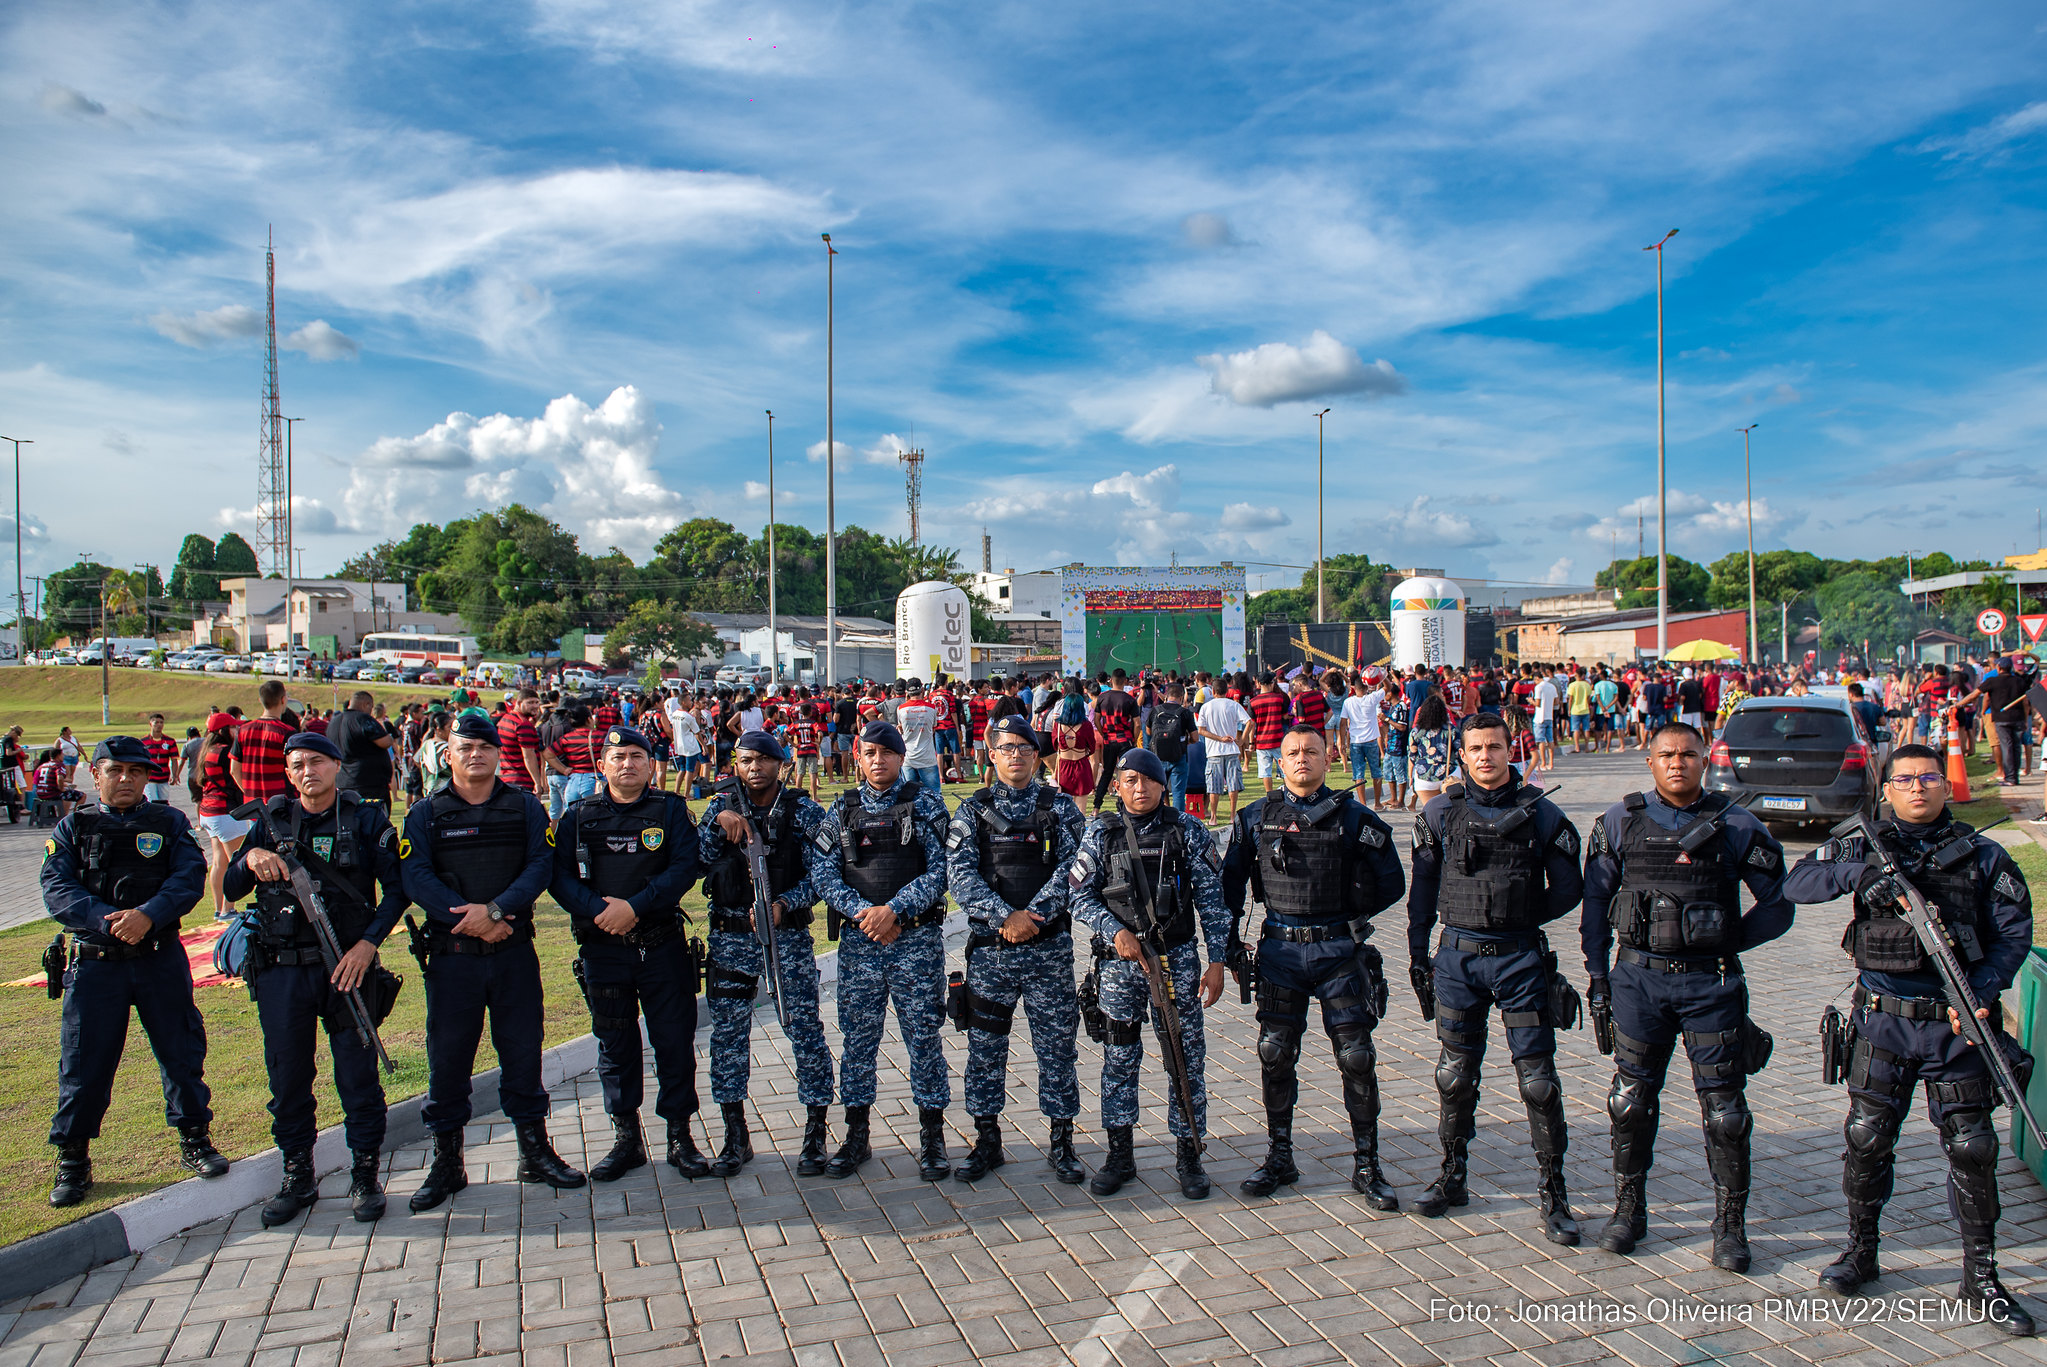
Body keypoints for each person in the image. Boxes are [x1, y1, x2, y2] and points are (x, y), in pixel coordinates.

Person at [1782, 745, 2035, 1332]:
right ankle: (1860, 1252)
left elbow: (2013, 934)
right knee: (1867, 1138)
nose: (1917, 788)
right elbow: (1799, 882)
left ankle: (1982, 1276)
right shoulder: (1866, 843)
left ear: (1946, 787)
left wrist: (1984, 990)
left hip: (1956, 1025)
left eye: (1928, 778)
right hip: (1883, 1022)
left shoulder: (1985, 856)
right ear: (1887, 788)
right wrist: (1860, 874)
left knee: (1973, 1149)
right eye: (1904, 779)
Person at [1579, 722, 1793, 1270]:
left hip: (1710, 985)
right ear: (1650, 762)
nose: (1678, 763)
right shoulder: (1618, 821)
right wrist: (1598, 977)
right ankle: (1629, 1210)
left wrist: (1727, 940)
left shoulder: (1739, 825)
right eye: (1667, 755)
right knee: (1629, 1102)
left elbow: (1778, 904)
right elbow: (1596, 906)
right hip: (1638, 981)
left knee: (1725, 1111)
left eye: (1689, 755)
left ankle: (1730, 1225)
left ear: (1706, 760)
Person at [1407, 713, 1586, 1243]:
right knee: (1454, 1075)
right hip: (1457, 959)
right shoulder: (1438, 813)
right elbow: (1421, 895)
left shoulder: (1543, 813)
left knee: (1537, 1082)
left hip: (1520, 959)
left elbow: (1571, 887)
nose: (1485, 756)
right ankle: (1452, 1176)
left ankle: (1554, 1194)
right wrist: (1419, 956)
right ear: (1460, 755)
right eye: (1475, 748)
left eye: (1495, 746)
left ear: (1512, 750)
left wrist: (1520, 914)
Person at [224, 732, 409, 1225]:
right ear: (288, 773)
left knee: (358, 1076)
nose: (308, 772)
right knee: (288, 1079)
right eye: (298, 764)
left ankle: (365, 1173)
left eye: (318, 762)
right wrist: (249, 858)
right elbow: (230, 886)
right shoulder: (271, 820)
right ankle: (297, 1175)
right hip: (283, 971)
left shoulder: (366, 818)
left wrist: (368, 944)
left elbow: (396, 891)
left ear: (335, 766)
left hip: (348, 968)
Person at [400, 712, 583, 1209]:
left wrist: (497, 911)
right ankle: (447, 1163)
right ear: (449, 754)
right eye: (465, 747)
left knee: (523, 1051)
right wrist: (472, 918)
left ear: (497, 754)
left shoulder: (523, 806)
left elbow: (540, 866)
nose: (475, 755)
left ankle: (534, 1151)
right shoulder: (425, 813)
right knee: (449, 1059)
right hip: (452, 957)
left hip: (512, 952)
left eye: (484, 747)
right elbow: (415, 877)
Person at [1223, 726, 1406, 1203]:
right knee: (1275, 1052)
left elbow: (1392, 883)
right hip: (1280, 952)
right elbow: (1229, 888)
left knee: (1356, 1057)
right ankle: (1279, 1156)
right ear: (1278, 762)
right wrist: (1227, 949)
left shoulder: (1355, 819)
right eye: (1292, 753)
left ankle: (1368, 1164)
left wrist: (1350, 912)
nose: (1302, 759)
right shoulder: (1254, 819)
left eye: (1311, 751)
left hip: (1339, 954)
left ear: (1329, 759)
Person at [44, 737, 226, 1208]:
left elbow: (188, 876)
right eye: (115, 770)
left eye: (135, 771)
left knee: (180, 1051)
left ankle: (195, 1140)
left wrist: (149, 914)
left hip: (158, 956)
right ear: (96, 774)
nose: (125, 779)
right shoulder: (73, 827)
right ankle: (73, 1160)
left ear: (148, 777)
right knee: (84, 1063)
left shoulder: (169, 822)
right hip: (96, 965)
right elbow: (57, 888)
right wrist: (109, 920)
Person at [1069, 748, 1230, 1199]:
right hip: (1120, 965)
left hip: (1176, 959)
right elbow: (1078, 897)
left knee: (1184, 1054)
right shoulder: (1099, 833)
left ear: (1163, 784)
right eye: (1130, 780)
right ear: (1116, 785)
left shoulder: (1189, 831)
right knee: (1119, 1056)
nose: (1139, 789)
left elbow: (1213, 903)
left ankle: (1189, 1152)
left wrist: (1217, 962)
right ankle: (1120, 1152)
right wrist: (1114, 930)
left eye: (1149, 780)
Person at [551, 725, 709, 1182]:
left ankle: (680, 1135)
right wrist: (601, 912)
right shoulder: (578, 815)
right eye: (618, 757)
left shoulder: (671, 810)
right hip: (603, 949)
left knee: (673, 1042)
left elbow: (684, 868)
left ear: (650, 763)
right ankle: (627, 1139)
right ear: (602, 765)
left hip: (660, 947)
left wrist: (634, 907)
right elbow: (559, 877)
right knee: (615, 1046)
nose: (627, 764)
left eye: (637, 756)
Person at [945, 714, 1089, 1185]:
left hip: (1048, 950)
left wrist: (1033, 916)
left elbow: (1077, 868)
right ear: (992, 754)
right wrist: (1005, 916)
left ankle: (1062, 1141)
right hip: (992, 952)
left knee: (1057, 1048)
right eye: (1006, 748)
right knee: (985, 1048)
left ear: (1036, 754)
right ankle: (987, 1140)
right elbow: (958, 874)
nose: (1015, 755)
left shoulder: (1061, 808)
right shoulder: (972, 811)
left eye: (1024, 748)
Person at [808, 722, 954, 1179]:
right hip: (861, 944)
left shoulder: (925, 805)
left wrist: (894, 909)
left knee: (924, 1040)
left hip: (916, 943)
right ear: (858, 756)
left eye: (886, 753)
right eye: (869, 753)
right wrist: (865, 914)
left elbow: (942, 871)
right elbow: (823, 873)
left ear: (899, 757)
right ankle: (856, 1136)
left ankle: (933, 1138)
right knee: (858, 1042)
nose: (877, 761)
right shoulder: (842, 810)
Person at [696, 730, 834, 1177]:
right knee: (729, 1037)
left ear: (781, 764)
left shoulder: (804, 811)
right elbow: (695, 861)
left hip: (787, 940)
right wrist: (719, 823)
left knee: (804, 1032)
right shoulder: (720, 805)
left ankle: (815, 1133)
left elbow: (826, 874)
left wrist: (785, 903)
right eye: (744, 760)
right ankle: (735, 1137)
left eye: (762, 760)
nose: (753, 768)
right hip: (730, 939)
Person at [196, 714, 247, 917]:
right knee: (235, 861)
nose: (237, 731)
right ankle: (228, 908)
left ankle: (219, 909)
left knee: (218, 862)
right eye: (234, 728)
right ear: (223, 731)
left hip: (208, 812)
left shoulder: (206, 751)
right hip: (225, 812)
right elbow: (237, 774)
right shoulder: (226, 752)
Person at [330, 691, 396, 808]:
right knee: (374, 822)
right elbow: (385, 742)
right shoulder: (363, 719)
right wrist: (390, 737)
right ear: (366, 704)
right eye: (371, 707)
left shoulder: (334, 721)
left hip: (342, 781)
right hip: (368, 784)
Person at [1195, 686, 1251, 825]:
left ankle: (1213, 817)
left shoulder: (1206, 707)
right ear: (1226, 692)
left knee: (1214, 787)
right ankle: (1232, 816)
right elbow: (1249, 722)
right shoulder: (1233, 705)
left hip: (1214, 752)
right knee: (1233, 785)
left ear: (1213, 692)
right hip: (1231, 750)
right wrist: (1242, 740)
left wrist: (1219, 738)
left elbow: (1201, 730)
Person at [1091, 673, 1140, 812]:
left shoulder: (1102, 697)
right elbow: (1137, 724)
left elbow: (1096, 720)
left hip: (1110, 740)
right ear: (1125, 681)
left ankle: (1096, 807)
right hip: (1125, 739)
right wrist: (1134, 740)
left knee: (1107, 773)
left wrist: (1103, 733)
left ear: (1111, 680)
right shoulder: (1129, 699)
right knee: (1126, 773)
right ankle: (1124, 805)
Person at [1148, 683, 1198, 812]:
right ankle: (1178, 822)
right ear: (1181, 697)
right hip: (1178, 755)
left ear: (1166, 696)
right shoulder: (1184, 713)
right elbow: (1195, 737)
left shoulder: (1156, 710)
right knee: (1178, 793)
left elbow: (1148, 732)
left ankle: (1157, 818)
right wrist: (1187, 741)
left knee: (1157, 791)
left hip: (1158, 756)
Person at [1337, 678, 1385, 808]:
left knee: (1358, 773)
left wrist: (1341, 741)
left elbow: (1342, 723)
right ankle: (1377, 803)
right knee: (1376, 772)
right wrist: (1381, 677)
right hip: (1370, 741)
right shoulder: (1371, 698)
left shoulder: (1348, 702)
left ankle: (1363, 803)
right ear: (1365, 688)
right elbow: (1387, 688)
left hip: (1356, 741)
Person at [495, 688, 547, 797]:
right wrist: (537, 783)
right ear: (518, 703)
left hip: (507, 777)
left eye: (537, 702)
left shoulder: (505, 719)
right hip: (523, 781)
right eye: (530, 703)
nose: (535, 706)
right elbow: (528, 756)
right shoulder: (523, 724)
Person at [1051, 696, 1097, 800]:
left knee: (1064, 807)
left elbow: (1055, 745)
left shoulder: (1058, 725)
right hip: (1081, 766)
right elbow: (1092, 747)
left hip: (1063, 766)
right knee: (1081, 809)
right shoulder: (1086, 725)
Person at [140, 714, 179, 805]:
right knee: (152, 802)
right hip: (150, 778)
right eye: (156, 722)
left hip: (164, 777)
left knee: (163, 803)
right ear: (150, 724)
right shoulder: (143, 742)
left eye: (161, 722)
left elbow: (174, 760)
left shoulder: (170, 741)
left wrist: (175, 775)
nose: (159, 725)